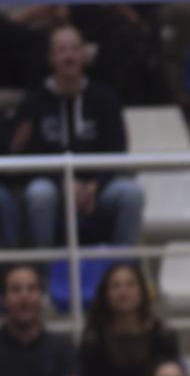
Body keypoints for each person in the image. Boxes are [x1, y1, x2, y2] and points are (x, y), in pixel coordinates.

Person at [7, 26, 145, 252]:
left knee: (131, 193)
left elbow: (117, 150)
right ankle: (43, 276)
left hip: (99, 189)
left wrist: (94, 186)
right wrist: (63, 184)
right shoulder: (33, 102)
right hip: (53, 187)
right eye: (61, 50)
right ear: (51, 58)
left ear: (84, 55)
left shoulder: (105, 99)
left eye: (74, 49)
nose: (69, 56)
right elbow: (26, 157)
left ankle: (122, 270)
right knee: (39, 193)